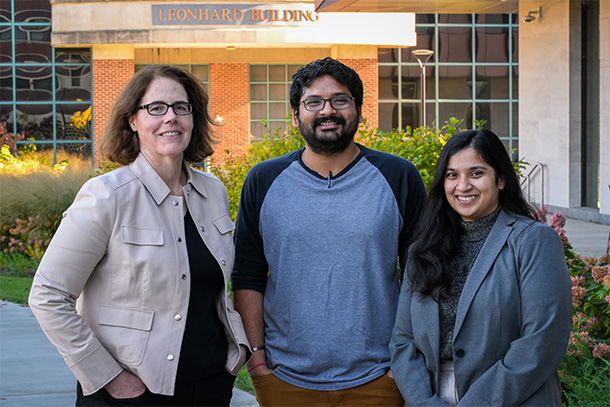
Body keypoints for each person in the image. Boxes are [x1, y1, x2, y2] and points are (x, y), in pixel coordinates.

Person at [28, 65, 250, 406]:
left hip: (211, 387)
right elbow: (48, 295)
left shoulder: (213, 192)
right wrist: (109, 378)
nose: (171, 118)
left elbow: (217, 289)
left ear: (194, 118)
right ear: (133, 119)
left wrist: (235, 360)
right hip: (132, 393)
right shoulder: (106, 196)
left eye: (181, 107)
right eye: (156, 108)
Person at [231, 57, 427, 406]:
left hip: (381, 376)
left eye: (340, 100)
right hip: (284, 378)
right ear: (295, 115)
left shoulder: (399, 177)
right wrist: (257, 359)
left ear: (359, 110)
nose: (328, 111)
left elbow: (422, 274)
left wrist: (400, 365)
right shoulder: (263, 180)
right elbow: (247, 273)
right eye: (313, 102)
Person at [390, 129, 572, 406]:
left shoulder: (534, 241)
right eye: (452, 175)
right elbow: (403, 341)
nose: (462, 186)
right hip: (431, 394)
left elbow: (541, 342)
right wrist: (424, 401)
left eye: (476, 173)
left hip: (513, 396)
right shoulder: (423, 249)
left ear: (500, 179)